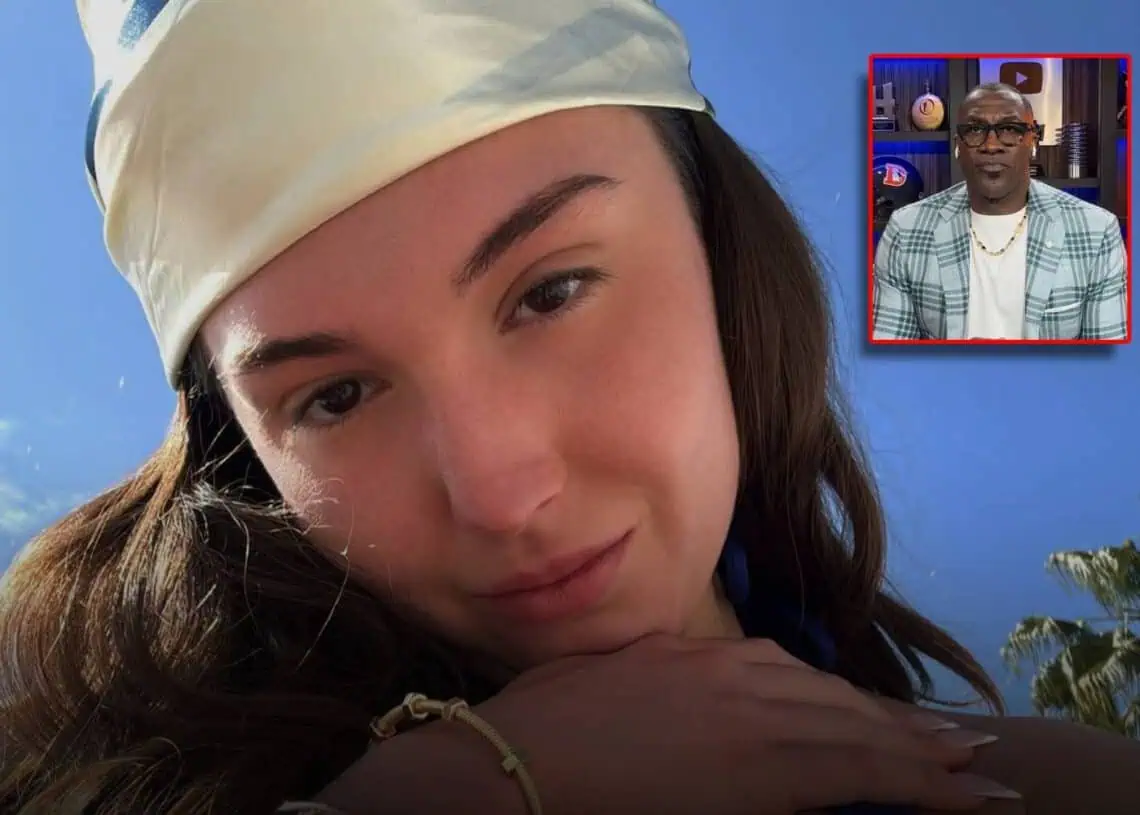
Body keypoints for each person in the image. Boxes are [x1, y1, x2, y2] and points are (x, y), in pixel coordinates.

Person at [2, 3, 1139, 814]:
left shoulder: (1059, 788)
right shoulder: (105, 760)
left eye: (549, 293)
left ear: (718, 240)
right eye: (335, 396)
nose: (501, 493)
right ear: (247, 451)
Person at [872, 82, 1128, 342]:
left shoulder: (1096, 232)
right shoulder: (906, 230)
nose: (991, 145)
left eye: (1010, 129)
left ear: (1033, 141)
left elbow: (1105, 362)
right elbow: (892, 358)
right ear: (958, 146)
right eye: (975, 130)